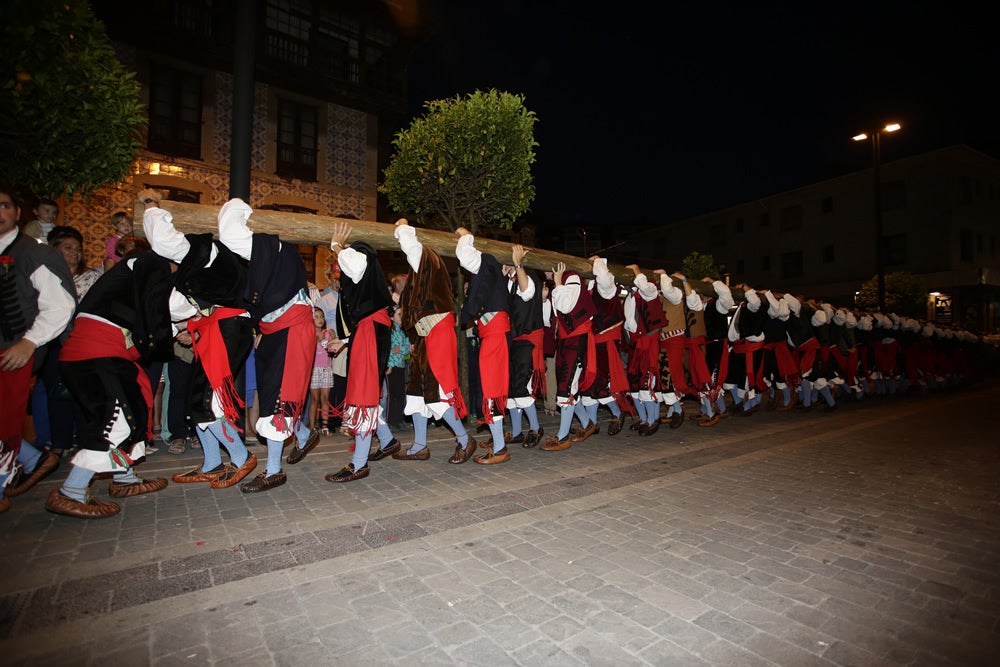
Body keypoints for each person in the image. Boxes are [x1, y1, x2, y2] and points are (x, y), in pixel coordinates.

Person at [46, 240, 178, 518]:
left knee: (131, 410)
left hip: (98, 356)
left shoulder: (126, 282)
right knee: (115, 419)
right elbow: (162, 309)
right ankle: (71, 491)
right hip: (94, 357)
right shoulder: (144, 265)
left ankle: (124, 478)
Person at [140, 190, 259, 490]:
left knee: (206, 398)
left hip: (229, 328)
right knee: (197, 397)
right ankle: (211, 462)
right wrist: (183, 325)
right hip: (219, 329)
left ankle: (240, 456)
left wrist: (152, 208)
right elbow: (181, 305)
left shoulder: (204, 249)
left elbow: (164, 240)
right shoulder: (197, 265)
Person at [218, 198, 316, 492]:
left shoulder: (274, 248)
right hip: (273, 331)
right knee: (275, 393)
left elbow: (229, 233)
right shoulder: (273, 255)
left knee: (279, 396)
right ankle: (304, 433)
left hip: (293, 329)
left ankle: (274, 470)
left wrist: (239, 207)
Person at [0, 187, 77, 512]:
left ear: (17, 213)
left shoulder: (34, 252)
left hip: (15, 350)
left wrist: (29, 342)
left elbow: (61, 305)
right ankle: (35, 458)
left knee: (5, 422)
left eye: (3, 205)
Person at [391, 218, 474, 463]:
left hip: (438, 332)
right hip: (428, 336)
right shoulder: (423, 269)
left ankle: (465, 440)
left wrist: (402, 224)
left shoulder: (427, 258)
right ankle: (419, 446)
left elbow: (409, 244)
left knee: (436, 391)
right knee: (416, 392)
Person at [324, 220, 398, 482]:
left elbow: (354, 266)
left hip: (370, 333)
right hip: (367, 332)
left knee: (363, 396)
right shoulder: (366, 275)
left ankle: (359, 464)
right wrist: (344, 340)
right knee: (366, 393)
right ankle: (387, 441)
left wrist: (336, 245)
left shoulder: (362, 254)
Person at [540, 262, 597, 451]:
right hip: (566, 340)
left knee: (566, 387)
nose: (546, 272)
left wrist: (557, 282)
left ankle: (563, 437)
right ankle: (588, 423)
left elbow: (565, 306)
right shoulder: (564, 281)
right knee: (567, 386)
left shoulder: (571, 277)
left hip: (577, 339)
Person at [502, 247, 548, 448]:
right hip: (515, 339)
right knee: (512, 388)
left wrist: (517, 263)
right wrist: (504, 275)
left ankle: (536, 428)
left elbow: (527, 293)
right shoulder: (510, 281)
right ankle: (517, 431)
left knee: (522, 386)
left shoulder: (528, 277)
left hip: (529, 339)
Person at [622, 264, 668, 436]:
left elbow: (644, 285)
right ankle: (643, 419)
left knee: (647, 382)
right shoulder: (631, 295)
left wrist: (637, 270)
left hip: (648, 343)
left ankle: (653, 420)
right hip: (636, 344)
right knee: (634, 384)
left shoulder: (650, 291)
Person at [47, 226, 102, 298]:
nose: (75, 252)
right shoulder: (47, 274)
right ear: (55, 250)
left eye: (79, 249)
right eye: (68, 248)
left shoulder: (92, 276)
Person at [309, 307, 334, 435]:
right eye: (316, 317)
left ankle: (325, 426)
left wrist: (333, 339)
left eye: (322, 317)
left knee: (325, 398)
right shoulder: (309, 333)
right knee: (315, 399)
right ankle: (312, 427)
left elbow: (333, 349)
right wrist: (315, 341)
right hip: (314, 369)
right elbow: (306, 350)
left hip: (327, 368)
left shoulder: (327, 333)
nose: (320, 319)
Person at [384, 304, 409, 431]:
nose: (402, 316)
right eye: (399, 314)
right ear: (392, 317)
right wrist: (388, 365)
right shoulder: (391, 331)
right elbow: (391, 350)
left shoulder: (403, 330)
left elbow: (407, 349)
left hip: (401, 365)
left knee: (400, 394)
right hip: (392, 366)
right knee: (391, 395)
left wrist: (404, 350)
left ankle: (398, 419)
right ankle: (389, 420)